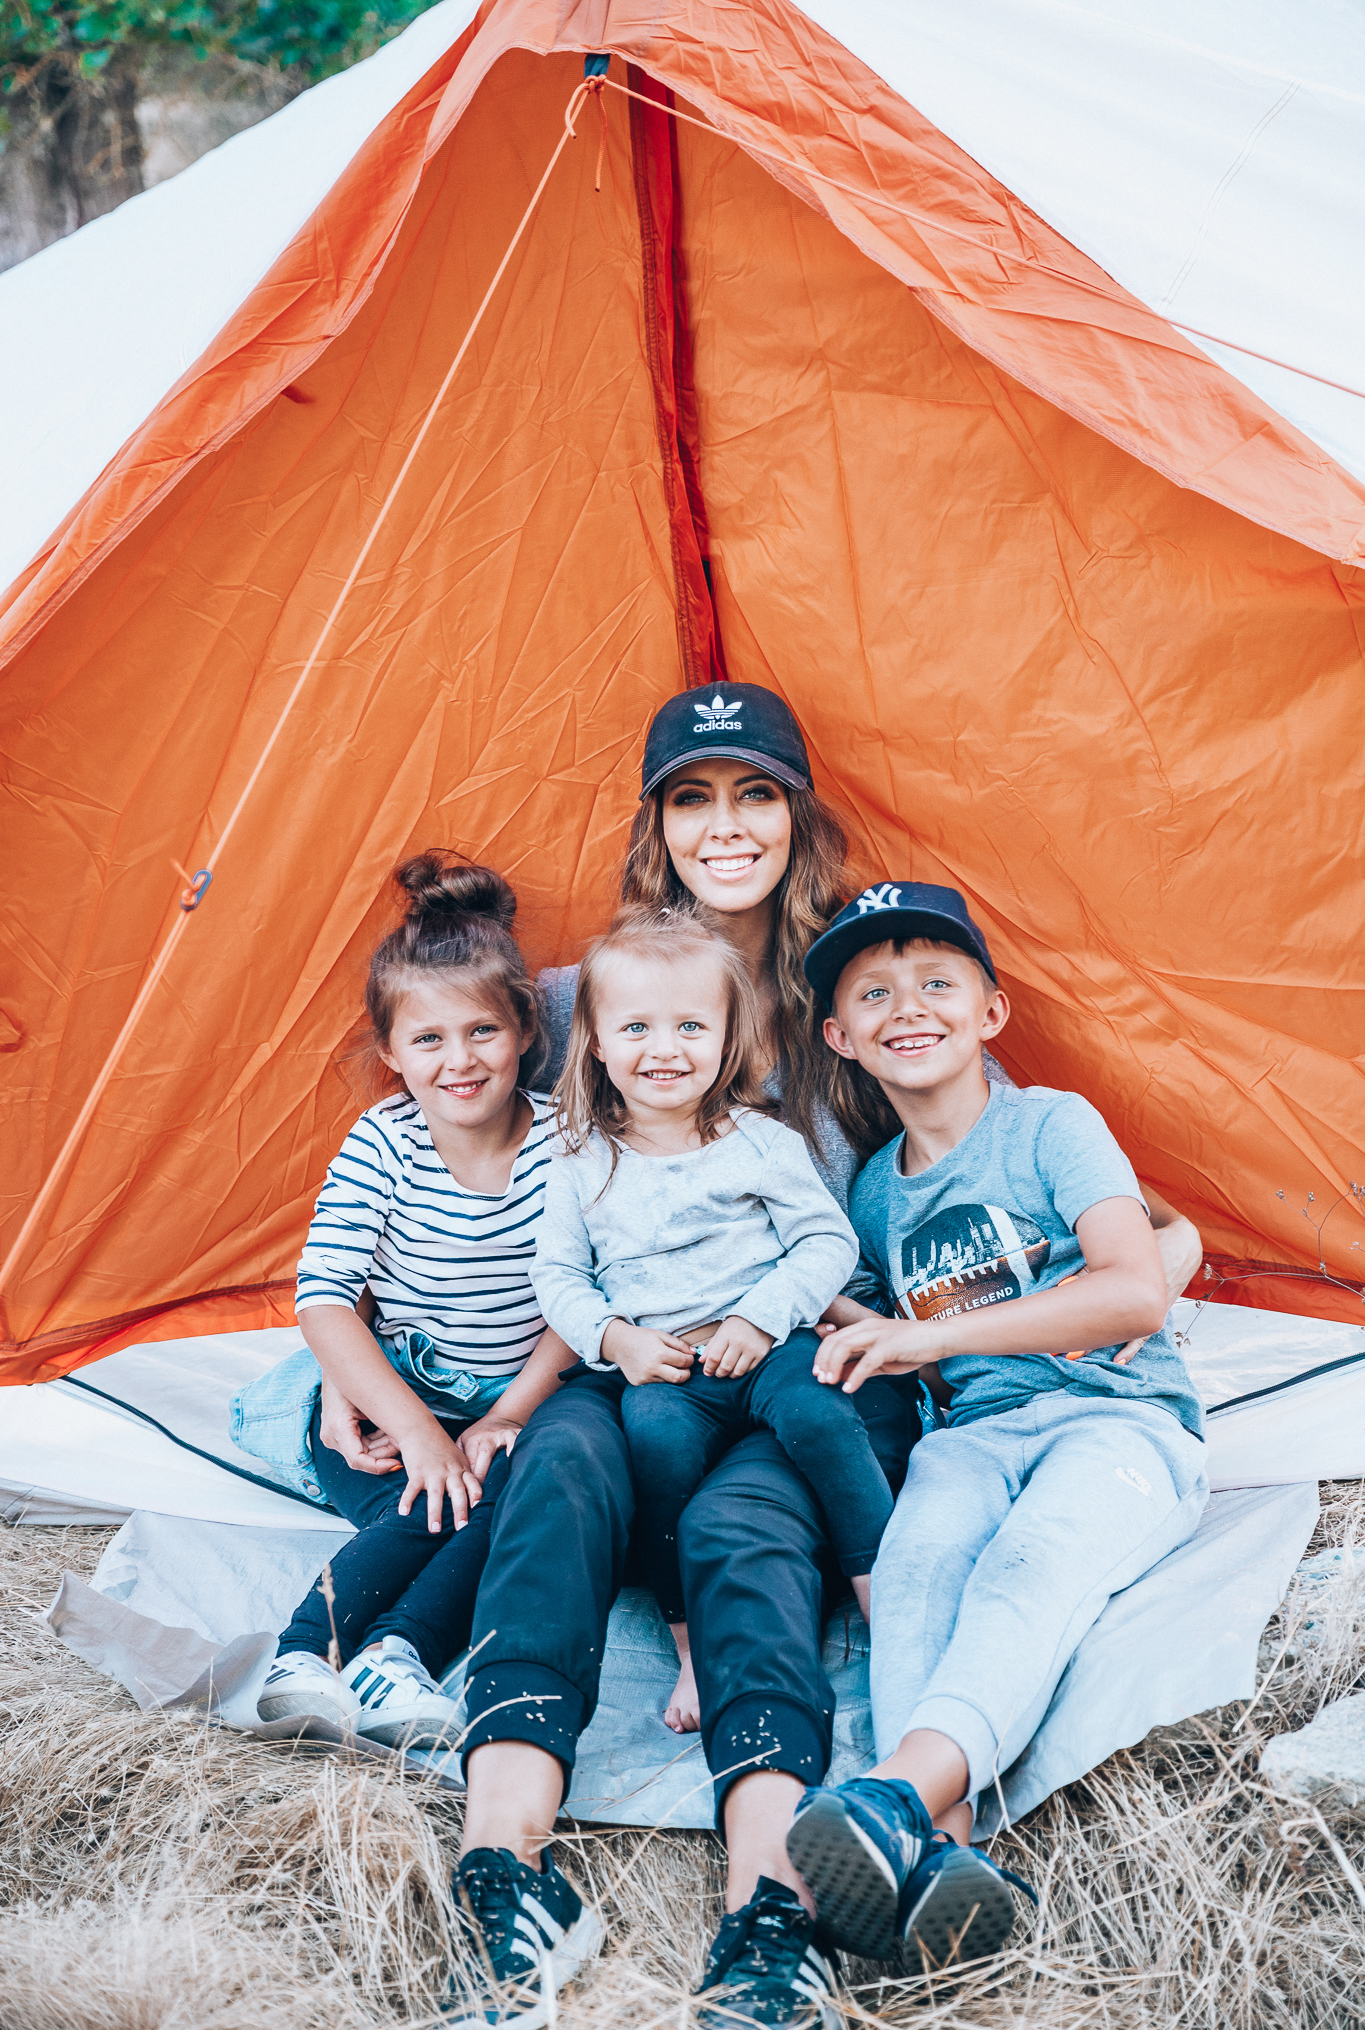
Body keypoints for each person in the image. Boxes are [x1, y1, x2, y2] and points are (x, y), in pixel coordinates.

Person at [317, 686, 1200, 2030]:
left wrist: (1120, 1288)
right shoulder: (577, 993)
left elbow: (1035, 1200)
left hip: (800, 1363)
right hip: (637, 1368)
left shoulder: (859, 988)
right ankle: (508, 1878)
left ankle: (771, 1915)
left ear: (799, 816)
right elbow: (455, 1113)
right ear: (654, 827)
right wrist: (352, 1354)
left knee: (747, 1531)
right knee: (558, 1470)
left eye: (754, 797)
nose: (724, 829)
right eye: (692, 799)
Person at [781, 881, 1209, 1971]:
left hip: (1114, 1420)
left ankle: (888, 1796)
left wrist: (929, 1342)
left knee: (1026, 1565)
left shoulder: (1051, 1123)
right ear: (841, 1037)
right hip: (972, 1435)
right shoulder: (877, 1189)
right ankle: (940, 1860)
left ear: (991, 1012)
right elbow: (865, 1308)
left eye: (937, 981)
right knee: (918, 1563)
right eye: (872, 993)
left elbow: (1132, 1288)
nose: (906, 1005)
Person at [238, 853, 575, 1747]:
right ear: (391, 1052)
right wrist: (422, 1432)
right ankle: (302, 1654)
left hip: (517, 1401)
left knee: (511, 1494)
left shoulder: (568, 1147)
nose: (458, 1061)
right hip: (393, 1401)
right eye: (427, 1041)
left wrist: (501, 1418)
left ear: (523, 1031)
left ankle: (393, 1658)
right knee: (422, 1499)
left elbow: (581, 1303)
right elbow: (324, 1301)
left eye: (481, 1033)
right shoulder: (382, 1145)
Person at [533, 906, 891, 1733]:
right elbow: (556, 1275)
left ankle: (885, 1599)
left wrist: (763, 1320)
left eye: (691, 1026)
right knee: (655, 1450)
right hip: (666, 1367)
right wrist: (615, 1340)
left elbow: (823, 1240)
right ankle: (693, 1652)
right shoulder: (579, 1156)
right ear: (593, 1040)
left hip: (768, 1345)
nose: (664, 1049)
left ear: (729, 1039)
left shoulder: (758, 1140)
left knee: (820, 1414)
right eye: (636, 1028)